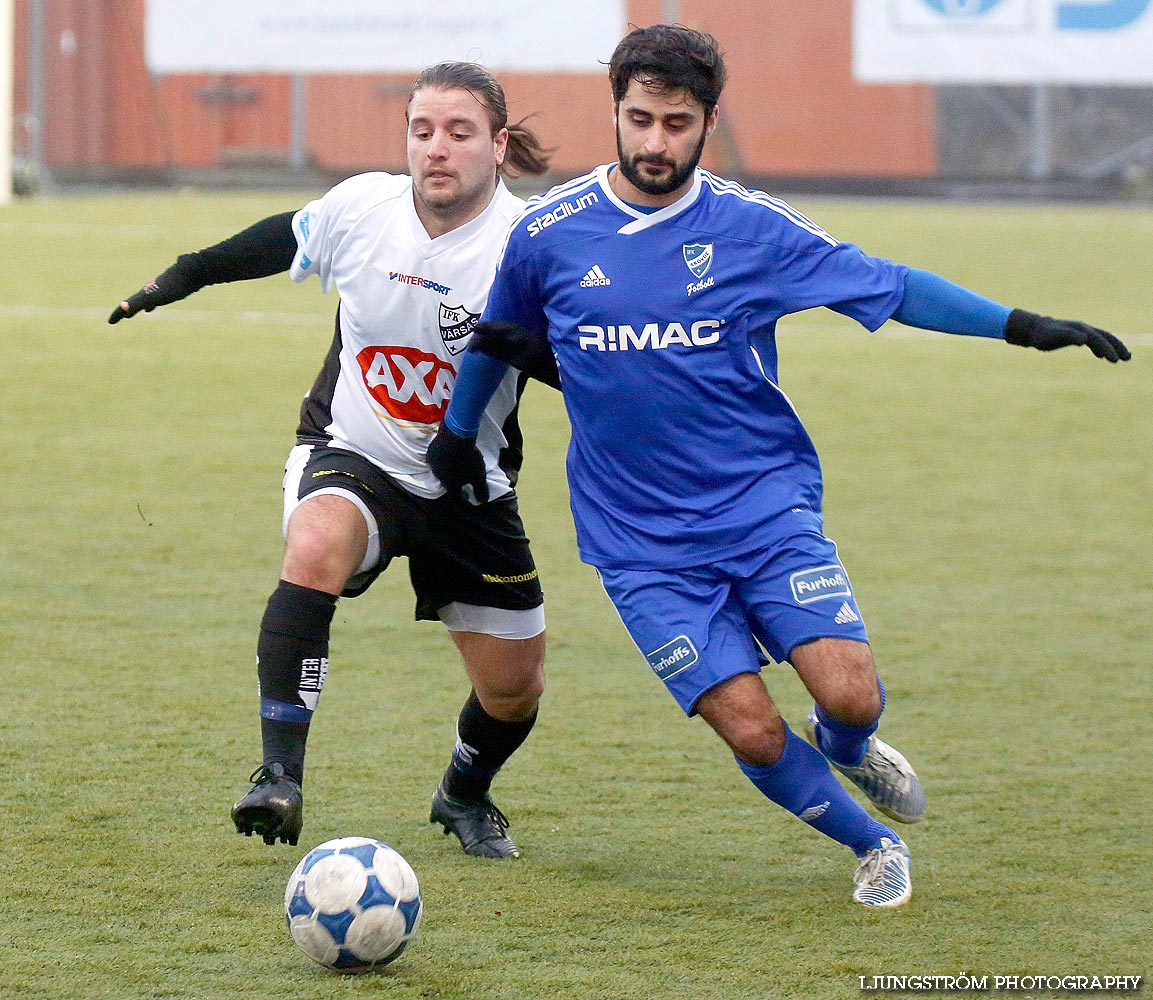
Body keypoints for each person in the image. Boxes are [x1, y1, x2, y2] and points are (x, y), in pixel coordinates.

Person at [426, 25, 1132, 906]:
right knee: (752, 731)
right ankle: (872, 847)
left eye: (675, 123)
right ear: (615, 110)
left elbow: (891, 285)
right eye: (639, 118)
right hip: (637, 537)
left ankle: (848, 749)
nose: (653, 142)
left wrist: (1023, 325)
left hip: (760, 506)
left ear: (707, 122)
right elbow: (498, 339)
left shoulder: (751, 228)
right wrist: (456, 436)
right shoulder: (550, 234)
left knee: (850, 693)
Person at [109, 61, 560, 859]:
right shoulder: (364, 210)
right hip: (354, 450)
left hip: (469, 487)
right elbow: (283, 234)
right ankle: (278, 776)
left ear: (496, 144)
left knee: (512, 688)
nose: (436, 148)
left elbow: (587, 363)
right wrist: (183, 275)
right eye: (422, 131)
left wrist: (537, 351)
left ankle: (463, 792)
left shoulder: (529, 244)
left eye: (459, 133)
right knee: (315, 544)